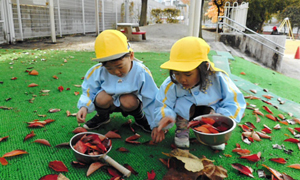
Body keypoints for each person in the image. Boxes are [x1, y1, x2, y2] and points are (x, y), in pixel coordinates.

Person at [151, 36, 246, 149]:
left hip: (212, 114)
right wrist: (165, 116)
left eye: (188, 74)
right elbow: (163, 103)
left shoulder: (219, 78)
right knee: (182, 104)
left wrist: (222, 118)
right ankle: (182, 129)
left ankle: (213, 132)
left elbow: (234, 100)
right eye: (177, 73)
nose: (182, 79)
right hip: (185, 112)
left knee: (214, 115)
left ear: (204, 68)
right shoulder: (172, 83)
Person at [76, 30, 158, 133]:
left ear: (131, 56)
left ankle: (140, 118)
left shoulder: (141, 72)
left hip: (131, 103)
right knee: (102, 97)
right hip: (107, 102)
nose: (116, 72)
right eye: (109, 69)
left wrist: (155, 123)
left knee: (128, 100)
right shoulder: (97, 71)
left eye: (120, 67)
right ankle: (102, 117)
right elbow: (89, 90)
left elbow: (151, 97)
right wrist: (84, 107)